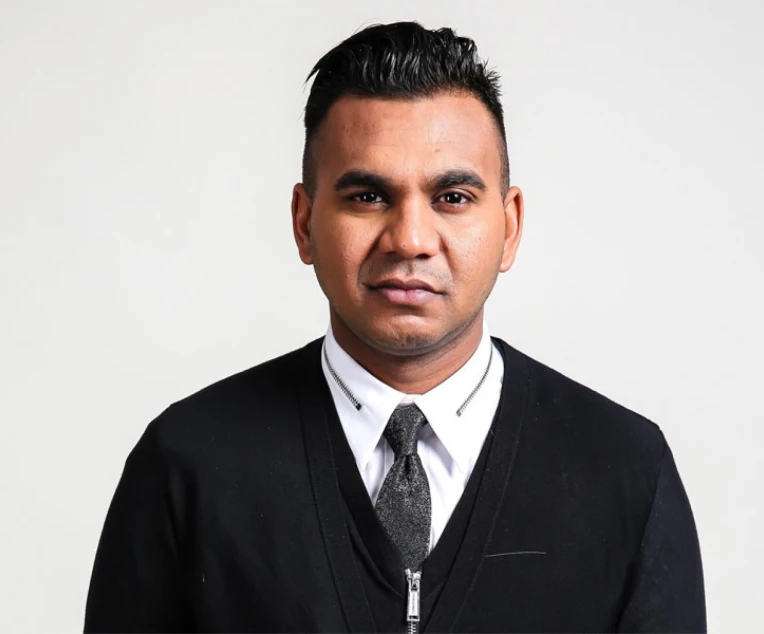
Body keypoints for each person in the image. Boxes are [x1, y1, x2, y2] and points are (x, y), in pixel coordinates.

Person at [84, 21, 706, 633]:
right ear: (304, 222)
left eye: (453, 198)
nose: (409, 240)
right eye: (367, 196)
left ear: (510, 226)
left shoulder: (625, 470)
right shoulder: (188, 464)